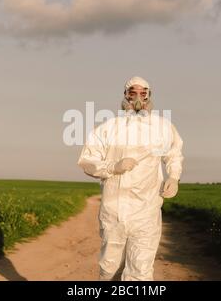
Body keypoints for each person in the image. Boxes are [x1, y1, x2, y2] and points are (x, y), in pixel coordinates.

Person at [77, 76, 184, 281]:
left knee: (141, 269)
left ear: (149, 96)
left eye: (143, 94)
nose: (137, 98)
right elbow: (87, 160)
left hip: (147, 208)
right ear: (125, 95)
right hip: (114, 209)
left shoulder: (162, 127)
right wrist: (113, 167)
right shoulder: (109, 128)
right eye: (132, 93)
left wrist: (174, 176)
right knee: (110, 268)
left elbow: (174, 153)